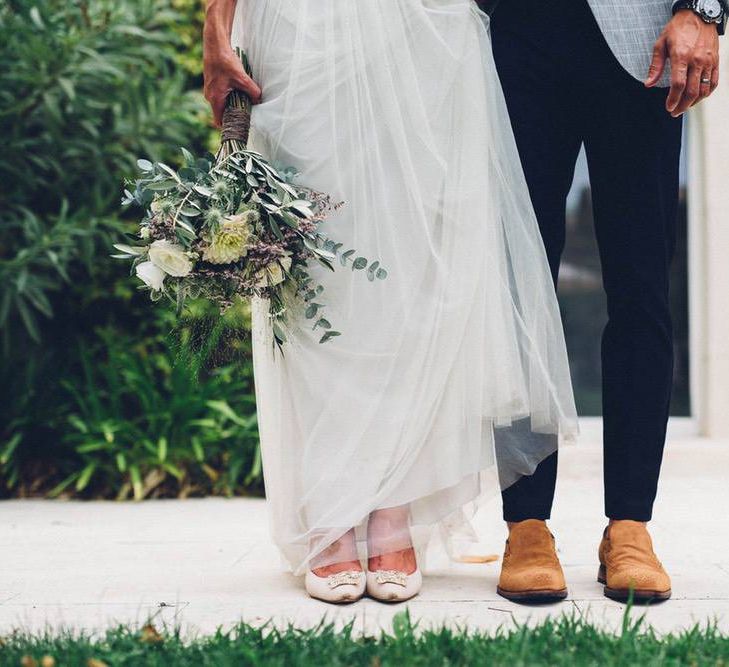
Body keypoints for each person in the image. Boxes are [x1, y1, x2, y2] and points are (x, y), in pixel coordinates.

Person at [203, 0, 578, 604]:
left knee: (413, 257)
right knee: (314, 255)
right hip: (302, 23)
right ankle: (329, 505)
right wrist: (215, 25)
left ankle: (392, 508)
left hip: (424, 22)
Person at [489, 0, 724, 603]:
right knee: (521, 283)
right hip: (518, 32)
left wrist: (703, 10)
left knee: (641, 287)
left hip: (642, 42)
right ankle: (527, 524)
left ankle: (630, 525)